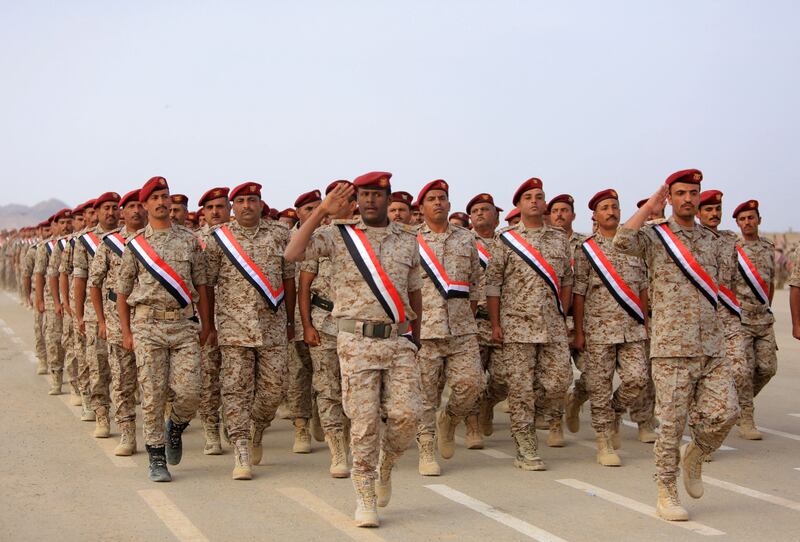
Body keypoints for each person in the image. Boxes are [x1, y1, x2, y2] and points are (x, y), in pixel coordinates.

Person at [284, 172, 422, 528]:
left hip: (397, 340)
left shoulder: (407, 240)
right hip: (356, 342)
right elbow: (292, 252)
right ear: (356, 199)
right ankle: (365, 493)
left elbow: (414, 291)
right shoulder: (337, 235)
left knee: (407, 415)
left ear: (388, 199)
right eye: (365, 194)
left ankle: (387, 464)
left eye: (378, 194)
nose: (371, 200)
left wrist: (416, 336)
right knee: (362, 423)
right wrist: (321, 212)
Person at [613, 169, 738, 521]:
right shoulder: (656, 237)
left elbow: (722, 291)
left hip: (712, 344)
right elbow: (621, 242)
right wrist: (650, 206)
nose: (688, 199)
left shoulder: (715, 241)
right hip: (671, 346)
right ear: (671, 198)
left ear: (700, 197)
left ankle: (695, 453)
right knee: (670, 423)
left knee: (725, 412)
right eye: (680, 193)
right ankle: (666, 490)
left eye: (693, 193)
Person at [116, 176, 212, 482]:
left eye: (165, 196)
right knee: (153, 393)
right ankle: (156, 456)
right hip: (147, 324)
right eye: (154, 197)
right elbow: (122, 290)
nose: (161, 202)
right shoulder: (135, 245)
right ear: (145, 206)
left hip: (183, 324)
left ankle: (177, 426)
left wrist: (207, 325)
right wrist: (127, 332)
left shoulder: (188, 239)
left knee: (191, 391)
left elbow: (201, 284)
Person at [205, 181, 295, 479]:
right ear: (233, 207)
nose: (246, 205)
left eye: (252, 200)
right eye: (241, 200)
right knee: (235, 390)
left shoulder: (280, 235)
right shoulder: (219, 240)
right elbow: (206, 285)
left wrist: (292, 320)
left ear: (260, 203)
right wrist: (209, 325)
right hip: (233, 328)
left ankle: (258, 426)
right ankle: (241, 447)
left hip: (273, 327)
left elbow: (290, 280)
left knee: (275, 389)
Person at [485, 177, 573, 471]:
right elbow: (494, 284)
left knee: (559, 381)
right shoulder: (506, 239)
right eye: (529, 197)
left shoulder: (560, 238)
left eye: (539, 196)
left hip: (553, 325)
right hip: (517, 325)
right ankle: (526, 446)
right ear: (519, 205)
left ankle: (538, 419)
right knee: (520, 389)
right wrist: (496, 324)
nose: (535, 201)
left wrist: (563, 310)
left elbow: (567, 280)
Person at [572, 189, 648, 466]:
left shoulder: (634, 244)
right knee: (600, 386)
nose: (611, 212)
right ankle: (603, 440)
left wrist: (646, 320)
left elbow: (642, 286)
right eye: (604, 208)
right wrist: (579, 332)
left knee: (637, 380)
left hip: (632, 326)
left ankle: (614, 411)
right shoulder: (586, 249)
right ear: (594, 215)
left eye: (614, 206)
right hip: (598, 328)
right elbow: (578, 293)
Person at [414, 180, 483, 475]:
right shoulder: (410, 239)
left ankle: (451, 419)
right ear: (422, 207)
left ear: (449, 204)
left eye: (442, 198)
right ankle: (426, 449)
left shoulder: (466, 238)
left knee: (472, 385)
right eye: (432, 199)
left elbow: (475, 282)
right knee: (425, 394)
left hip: (461, 328)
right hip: (425, 329)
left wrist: (465, 315)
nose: (438, 203)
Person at [298, 180, 357, 477]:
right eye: (336, 198)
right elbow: (305, 285)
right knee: (328, 388)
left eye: (347, 198)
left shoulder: (366, 237)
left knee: (354, 390)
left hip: (358, 327)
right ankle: (337, 450)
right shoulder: (322, 236)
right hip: (324, 322)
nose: (342, 203)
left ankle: (352, 440)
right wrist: (307, 324)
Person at [88, 189, 146, 455]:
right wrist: (100, 320)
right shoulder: (110, 243)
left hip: (153, 320)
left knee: (155, 382)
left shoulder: (158, 240)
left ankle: (161, 431)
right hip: (115, 319)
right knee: (122, 379)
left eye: (139, 205)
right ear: (124, 212)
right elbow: (94, 284)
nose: (136, 211)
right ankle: (126, 432)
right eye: (130, 206)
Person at [696, 190, 752, 443]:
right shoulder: (690, 240)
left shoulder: (731, 240)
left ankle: (738, 413)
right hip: (700, 314)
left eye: (717, 209)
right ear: (698, 213)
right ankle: (702, 433)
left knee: (740, 369)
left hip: (727, 313)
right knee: (697, 377)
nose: (714, 214)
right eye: (708, 209)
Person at [74, 192, 121, 438]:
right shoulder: (85, 241)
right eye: (106, 209)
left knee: (125, 371)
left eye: (115, 207)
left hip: (126, 314)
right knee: (98, 367)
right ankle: (102, 414)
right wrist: (79, 313)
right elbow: (80, 278)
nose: (111, 213)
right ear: (98, 212)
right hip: (96, 314)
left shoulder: (130, 239)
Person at [733, 199, 777, 438]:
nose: (747, 222)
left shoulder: (769, 247)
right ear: (738, 223)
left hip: (763, 319)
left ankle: (740, 403)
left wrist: (767, 307)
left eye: (751, 217)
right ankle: (747, 418)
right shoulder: (733, 249)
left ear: (759, 220)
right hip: (741, 319)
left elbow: (770, 282)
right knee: (743, 371)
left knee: (767, 368)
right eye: (743, 219)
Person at [545, 193, 586, 445]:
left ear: (573, 215)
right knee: (557, 377)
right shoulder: (544, 243)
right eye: (556, 211)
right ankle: (554, 423)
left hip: (583, 319)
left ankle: (577, 399)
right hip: (555, 319)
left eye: (565, 210)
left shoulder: (586, 244)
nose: (560, 214)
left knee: (593, 375)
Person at [467, 193, 506, 444]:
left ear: (496, 215)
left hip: (503, 321)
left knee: (504, 378)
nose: (481, 213)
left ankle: (489, 404)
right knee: (473, 378)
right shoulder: (463, 242)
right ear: (470, 217)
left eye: (486, 209)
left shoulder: (509, 242)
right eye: (476, 210)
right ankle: (472, 427)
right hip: (473, 320)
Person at [196, 187, 231, 455]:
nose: (216, 212)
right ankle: (211, 426)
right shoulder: (193, 241)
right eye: (210, 208)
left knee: (235, 378)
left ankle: (234, 425)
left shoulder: (242, 239)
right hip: (205, 318)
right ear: (203, 213)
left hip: (237, 321)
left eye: (220, 206)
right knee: (209, 376)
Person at [288, 189, 323, 452]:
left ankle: (322, 414)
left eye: (317, 208)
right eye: (308, 209)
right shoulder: (287, 239)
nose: (314, 213)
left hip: (328, 316)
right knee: (300, 372)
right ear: (299, 213)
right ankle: (301, 424)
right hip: (298, 317)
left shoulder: (331, 237)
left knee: (326, 371)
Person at [34, 209, 71, 395]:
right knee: (54, 338)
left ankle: (76, 383)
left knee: (72, 342)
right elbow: (41, 274)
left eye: (68, 222)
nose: (66, 226)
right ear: (55, 226)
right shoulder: (47, 247)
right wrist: (40, 299)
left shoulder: (77, 243)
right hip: (52, 299)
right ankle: (56, 375)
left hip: (73, 300)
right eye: (62, 223)